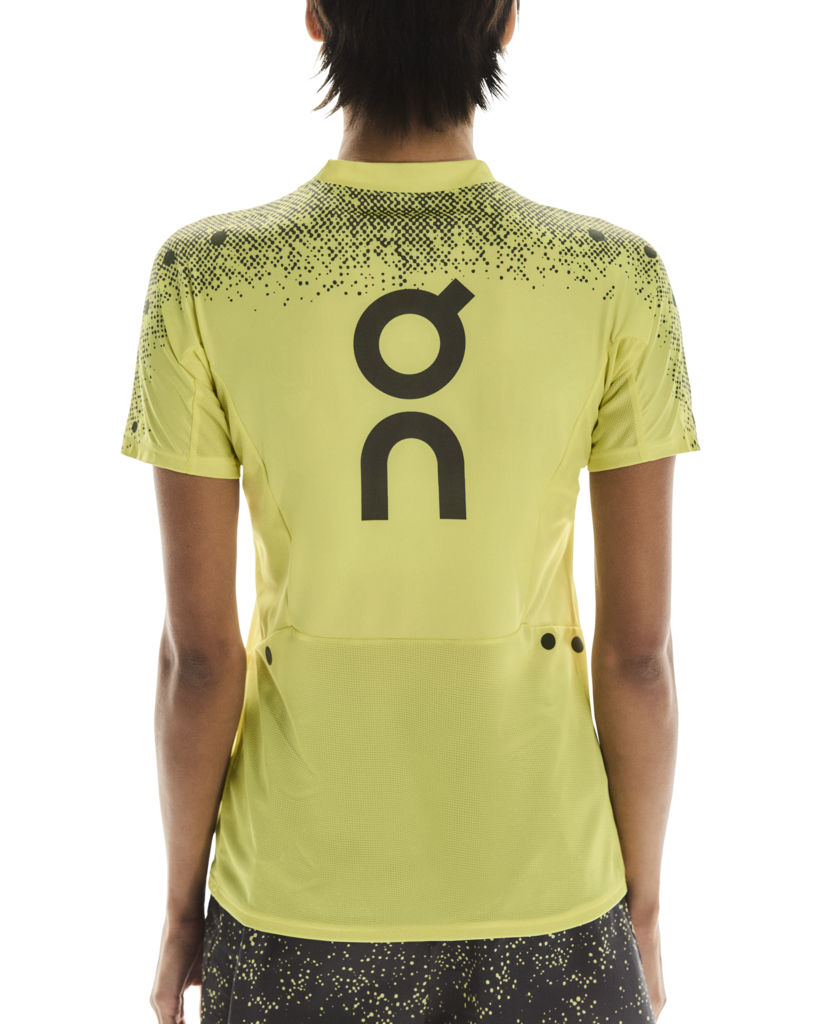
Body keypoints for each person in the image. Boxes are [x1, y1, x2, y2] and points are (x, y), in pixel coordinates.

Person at [137, 2, 698, 1021]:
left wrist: (182, 912)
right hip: (550, 893)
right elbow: (638, 655)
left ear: (316, 18)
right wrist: (644, 914)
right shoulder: (612, 276)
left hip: (293, 897)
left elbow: (201, 658)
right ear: (508, 23)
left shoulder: (206, 273)